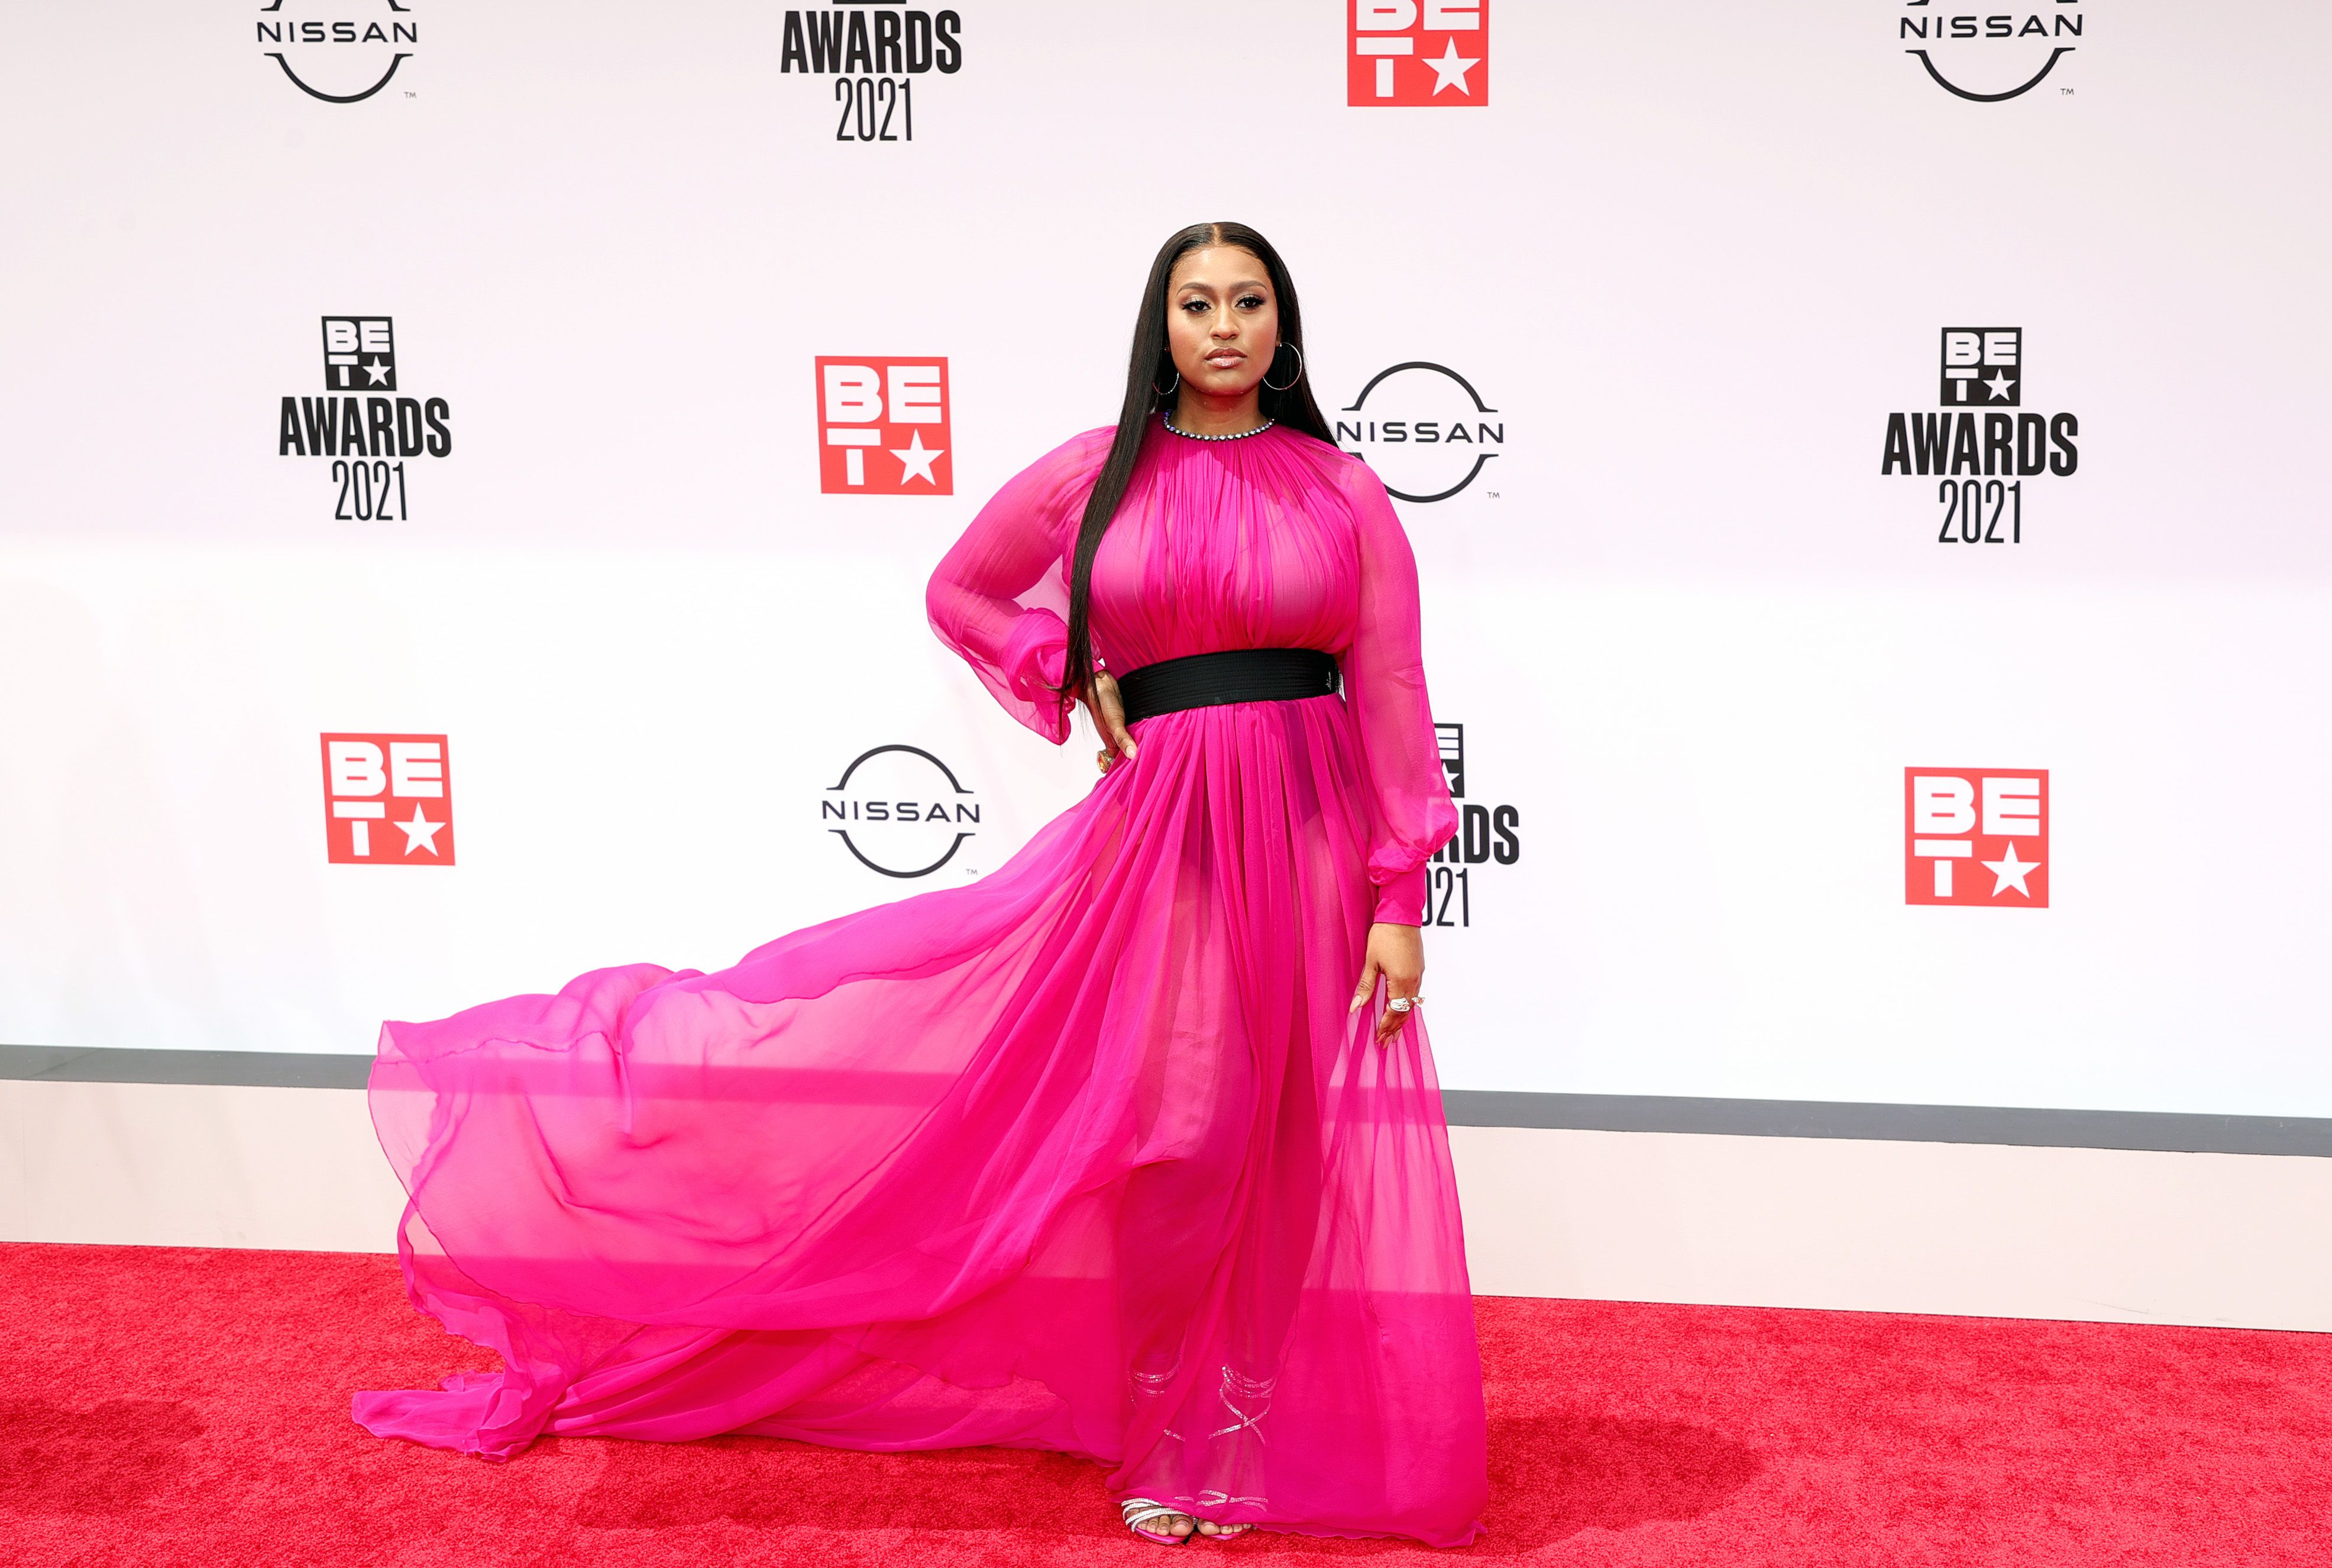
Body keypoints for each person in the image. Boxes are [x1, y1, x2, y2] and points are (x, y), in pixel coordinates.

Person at [353, 221, 1488, 1548]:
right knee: (1182, 1142)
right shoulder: (1092, 475)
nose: (1224, 326)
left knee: (1277, 1146)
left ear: (1282, 328)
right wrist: (1062, 660)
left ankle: (1236, 1430)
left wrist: (1400, 896)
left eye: (1248, 302)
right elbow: (962, 592)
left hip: (1305, 831)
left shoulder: (1339, 489)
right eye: (1196, 303)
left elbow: (1393, 686)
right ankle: (1164, 1427)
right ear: (1160, 325)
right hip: (1165, 837)